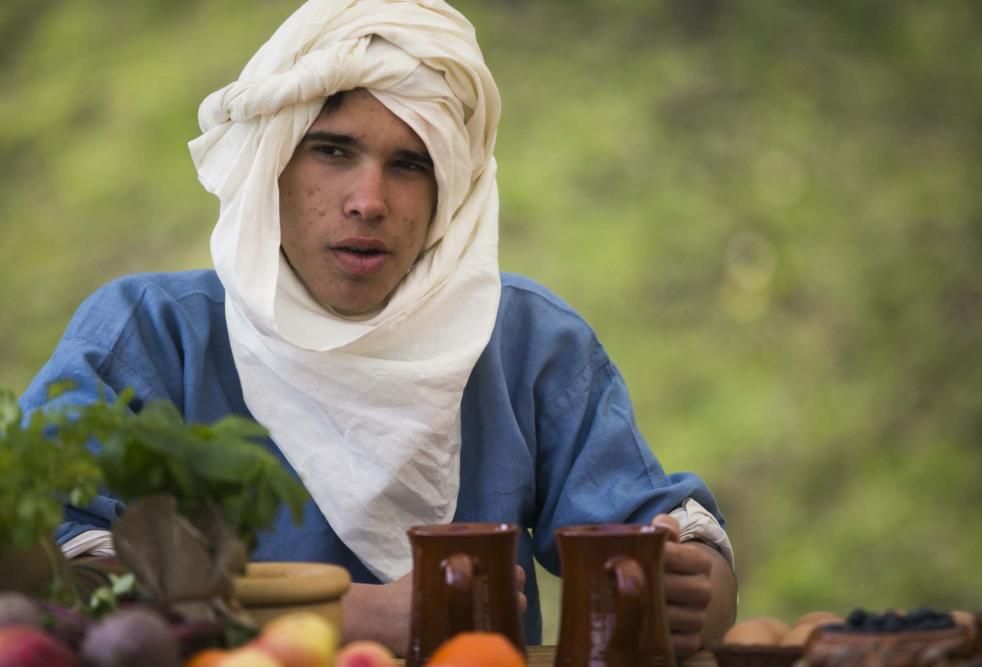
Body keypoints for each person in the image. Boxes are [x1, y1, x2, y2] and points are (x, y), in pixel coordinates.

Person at [19, 0, 737, 656]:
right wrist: (349, 616)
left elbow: (667, 539)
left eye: (410, 164)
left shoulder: (526, 342)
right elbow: (50, 571)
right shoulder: (151, 335)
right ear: (273, 161)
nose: (369, 201)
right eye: (333, 151)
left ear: (448, 190)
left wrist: (697, 588)